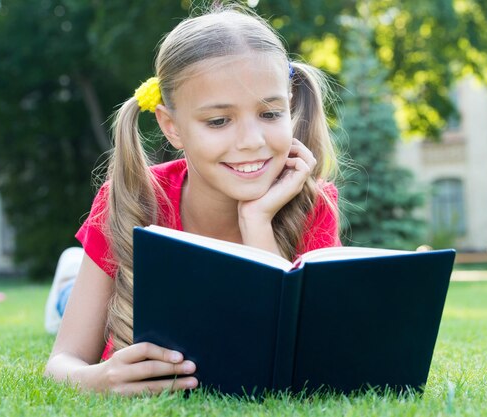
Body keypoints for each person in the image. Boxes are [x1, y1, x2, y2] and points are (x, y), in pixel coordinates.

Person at [43, 6, 341, 396]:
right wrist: (100, 378)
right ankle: (71, 276)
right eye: (219, 121)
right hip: (116, 288)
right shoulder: (131, 198)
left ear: (290, 104)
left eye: (270, 113)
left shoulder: (311, 203)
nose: (252, 141)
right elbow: (62, 364)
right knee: (73, 303)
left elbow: (299, 358)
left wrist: (257, 221)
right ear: (172, 127)